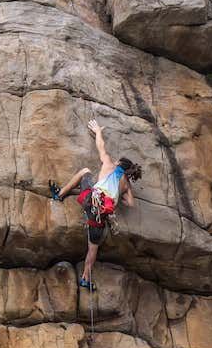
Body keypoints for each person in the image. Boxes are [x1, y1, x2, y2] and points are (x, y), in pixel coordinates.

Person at [48, 119, 142, 290]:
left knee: (85, 172)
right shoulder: (126, 185)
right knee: (93, 249)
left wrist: (98, 131)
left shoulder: (108, 164)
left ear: (119, 164)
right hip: (99, 217)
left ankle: (59, 195)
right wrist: (119, 194)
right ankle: (85, 278)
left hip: (90, 200)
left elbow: (101, 146)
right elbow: (131, 203)